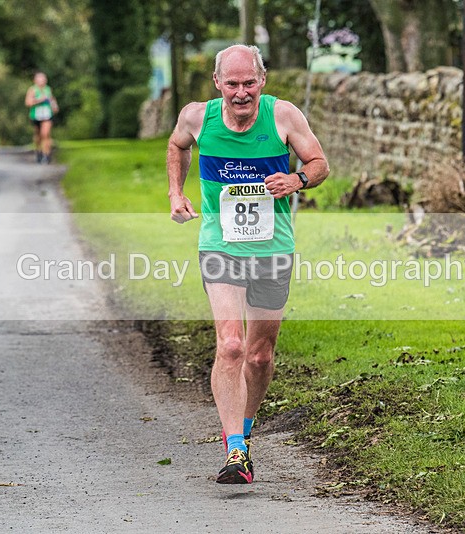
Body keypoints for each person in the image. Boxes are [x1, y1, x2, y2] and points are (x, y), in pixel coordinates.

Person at [166, 44, 329, 484]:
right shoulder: (197, 117)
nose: (241, 92)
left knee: (259, 356)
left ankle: (246, 430)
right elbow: (177, 145)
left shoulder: (283, 116)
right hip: (220, 246)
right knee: (232, 345)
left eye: (249, 83)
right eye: (233, 83)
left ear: (263, 80)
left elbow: (319, 163)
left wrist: (296, 179)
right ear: (218, 83)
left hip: (273, 249)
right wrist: (176, 192)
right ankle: (235, 447)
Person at [25, 72, 58, 164]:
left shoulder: (48, 89)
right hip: (36, 115)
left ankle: (47, 154)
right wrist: (40, 100)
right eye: (40, 79)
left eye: (43, 79)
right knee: (38, 136)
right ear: (35, 80)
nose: (42, 81)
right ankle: (39, 151)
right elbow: (28, 103)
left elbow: (52, 99)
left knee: (45, 134)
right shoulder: (32, 90)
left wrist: (55, 106)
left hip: (47, 115)